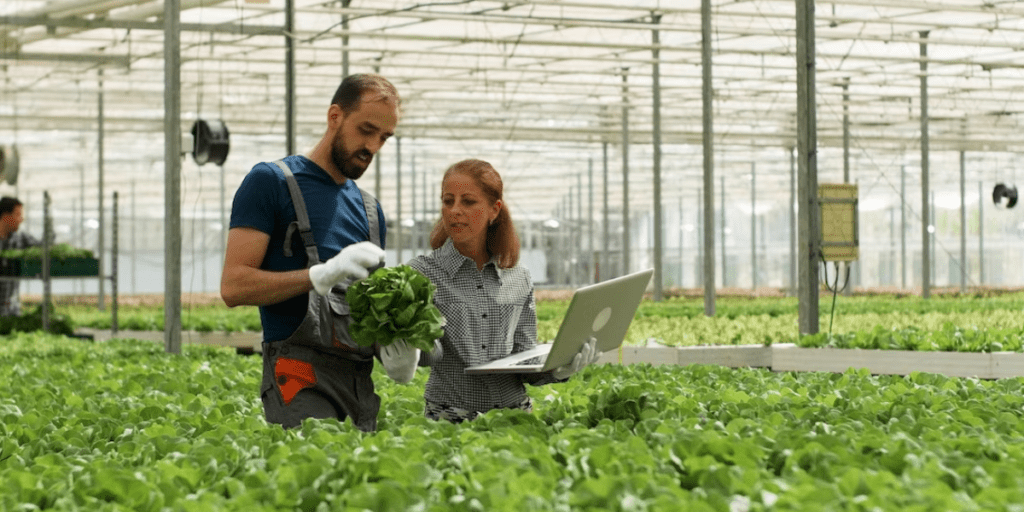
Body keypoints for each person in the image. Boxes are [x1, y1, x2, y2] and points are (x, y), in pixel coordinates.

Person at [221, 73, 414, 432]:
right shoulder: (272, 182)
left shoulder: (370, 211)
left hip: (359, 382)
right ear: (335, 116)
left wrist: (395, 347)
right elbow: (234, 286)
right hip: (298, 374)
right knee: (315, 475)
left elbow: (363, 310)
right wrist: (319, 275)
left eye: (383, 137)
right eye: (366, 129)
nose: (372, 145)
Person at [408, 159, 600, 423]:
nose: (455, 210)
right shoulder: (422, 274)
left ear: (494, 210)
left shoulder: (518, 277)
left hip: (516, 417)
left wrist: (560, 368)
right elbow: (425, 356)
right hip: (450, 419)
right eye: (448, 200)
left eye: (468, 202)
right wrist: (410, 344)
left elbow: (523, 356)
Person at [0, 197, 40, 317]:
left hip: (12, 309)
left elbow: (42, 248)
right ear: (6, 216)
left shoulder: (21, 238)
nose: (21, 219)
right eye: (17, 215)